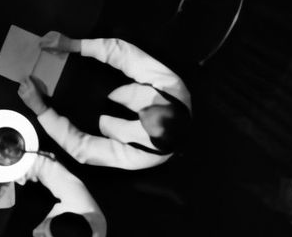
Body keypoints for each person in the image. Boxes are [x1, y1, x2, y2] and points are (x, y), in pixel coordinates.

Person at [17, 33, 192, 170]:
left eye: (144, 124)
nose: (141, 112)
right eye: (149, 107)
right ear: (171, 105)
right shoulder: (174, 87)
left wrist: (40, 109)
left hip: (72, 115)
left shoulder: (147, 157)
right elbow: (123, 55)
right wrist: (71, 44)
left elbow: (82, 148)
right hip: (93, 70)